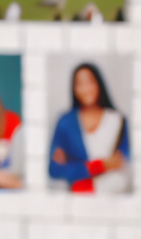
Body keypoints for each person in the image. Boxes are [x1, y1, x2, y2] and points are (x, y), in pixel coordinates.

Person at [49, 63, 131, 194]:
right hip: (78, 194)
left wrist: (77, 169)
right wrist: (99, 166)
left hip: (111, 193)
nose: (85, 89)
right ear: (74, 88)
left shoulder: (117, 120)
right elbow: (55, 169)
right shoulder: (66, 123)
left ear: (98, 83)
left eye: (89, 82)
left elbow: (122, 162)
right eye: (79, 84)